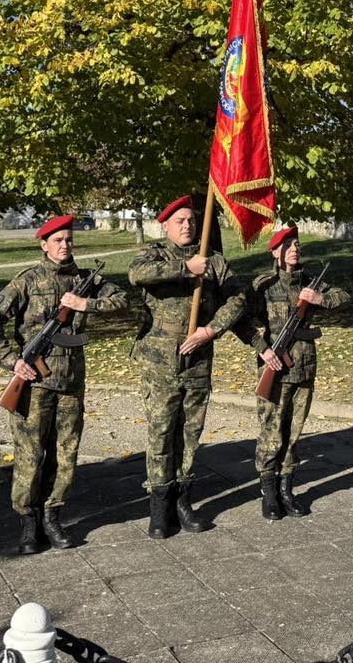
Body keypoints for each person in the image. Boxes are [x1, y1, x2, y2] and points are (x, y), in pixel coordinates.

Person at [0, 214, 131, 552]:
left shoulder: (85, 279)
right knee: (30, 455)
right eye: (58, 240)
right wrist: (12, 361)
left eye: (69, 239)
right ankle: (28, 521)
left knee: (65, 454)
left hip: (71, 383)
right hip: (34, 384)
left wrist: (85, 303)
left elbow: (122, 299)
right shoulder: (27, 280)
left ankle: (53, 515)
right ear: (43, 244)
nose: (65, 245)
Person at [128, 196, 248, 538]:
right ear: (165, 225)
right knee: (161, 433)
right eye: (180, 221)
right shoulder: (154, 254)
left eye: (192, 220)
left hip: (197, 359)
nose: (188, 225)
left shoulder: (214, 260)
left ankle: (183, 500)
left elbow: (238, 298)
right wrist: (186, 268)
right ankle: (159, 506)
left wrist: (211, 330)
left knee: (190, 434)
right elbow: (136, 274)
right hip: (159, 361)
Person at [245, 225, 348, 518]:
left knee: (293, 434)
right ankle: (269, 492)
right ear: (275, 252)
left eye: (297, 244)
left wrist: (319, 299)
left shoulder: (310, 283)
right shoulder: (264, 285)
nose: (295, 249)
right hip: (275, 369)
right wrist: (262, 348)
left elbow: (344, 296)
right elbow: (242, 320)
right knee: (271, 432)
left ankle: (287, 489)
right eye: (288, 245)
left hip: (304, 368)